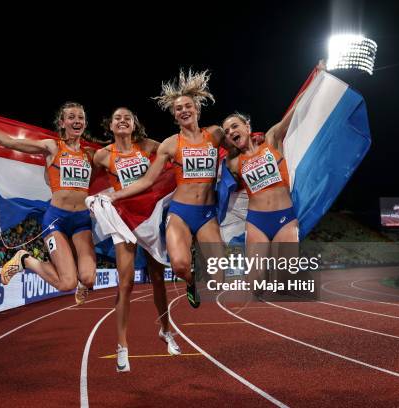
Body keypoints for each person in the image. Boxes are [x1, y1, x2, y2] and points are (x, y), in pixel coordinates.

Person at [0, 102, 96, 304]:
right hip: (57, 220)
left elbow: (120, 158)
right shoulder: (52, 146)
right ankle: (25, 260)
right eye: (71, 117)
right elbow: (10, 143)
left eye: (80, 117)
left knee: (88, 278)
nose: (76, 121)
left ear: (85, 123)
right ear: (62, 123)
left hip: (82, 221)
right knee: (66, 284)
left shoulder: (91, 154)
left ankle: (82, 283)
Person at [107, 70, 225, 309]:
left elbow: (239, 142)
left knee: (219, 278)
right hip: (180, 212)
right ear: (174, 116)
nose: (183, 110)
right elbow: (148, 181)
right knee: (180, 266)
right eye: (178, 108)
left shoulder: (215, 134)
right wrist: (116, 194)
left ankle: (202, 270)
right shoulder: (170, 145)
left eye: (187, 106)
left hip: (207, 214)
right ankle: (191, 280)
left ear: (197, 109)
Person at [93, 107, 180, 372]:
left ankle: (165, 330)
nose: (122, 121)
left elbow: (177, 153)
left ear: (134, 124)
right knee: (126, 283)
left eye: (127, 118)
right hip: (123, 218)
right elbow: (86, 180)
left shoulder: (149, 146)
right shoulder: (102, 155)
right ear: (110, 125)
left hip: (150, 216)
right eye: (117, 118)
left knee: (157, 279)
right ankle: (122, 346)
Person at [222, 61, 325, 286]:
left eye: (234, 126)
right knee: (255, 282)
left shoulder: (271, 139)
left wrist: (317, 78)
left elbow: (296, 110)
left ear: (247, 127)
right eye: (227, 132)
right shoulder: (233, 162)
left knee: (285, 277)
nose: (231, 132)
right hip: (256, 221)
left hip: (285, 218)